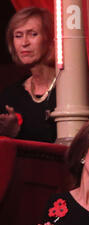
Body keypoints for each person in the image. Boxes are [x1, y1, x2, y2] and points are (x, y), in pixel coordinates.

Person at [0, 7, 57, 142]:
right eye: (18, 36)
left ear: (49, 39)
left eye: (33, 34)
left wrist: (20, 133)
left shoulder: (69, 88)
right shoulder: (11, 95)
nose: (24, 43)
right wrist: (8, 134)